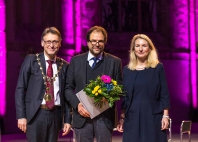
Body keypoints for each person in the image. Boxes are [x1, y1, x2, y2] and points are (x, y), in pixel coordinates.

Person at [65, 26, 122, 142]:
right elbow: (68, 88)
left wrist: (108, 97)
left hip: (105, 117)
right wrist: (77, 105)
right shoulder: (76, 61)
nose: (97, 44)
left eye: (100, 41)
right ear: (88, 42)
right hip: (82, 117)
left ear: (104, 42)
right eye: (94, 41)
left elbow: (120, 87)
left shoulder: (115, 62)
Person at [15, 27, 71, 142]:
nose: (51, 45)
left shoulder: (64, 66)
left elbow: (66, 94)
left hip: (56, 114)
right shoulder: (32, 60)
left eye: (55, 42)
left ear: (60, 43)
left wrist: (68, 120)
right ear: (42, 43)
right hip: (36, 114)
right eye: (48, 42)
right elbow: (20, 88)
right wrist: (21, 116)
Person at [117, 34, 170, 142]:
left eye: (144, 46)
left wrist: (165, 116)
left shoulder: (158, 68)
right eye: (137, 46)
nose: (140, 49)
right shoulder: (127, 70)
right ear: (133, 49)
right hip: (132, 116)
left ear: (150, 48)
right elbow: (125, 97)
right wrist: (122, 118)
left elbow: (164, 93)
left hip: (152, 115)